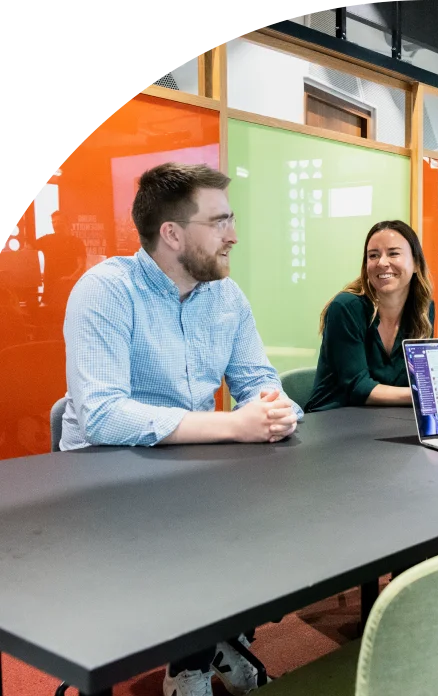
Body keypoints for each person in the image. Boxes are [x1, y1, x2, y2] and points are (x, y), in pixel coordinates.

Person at [61, 162, 304, 696]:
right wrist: (232, 425)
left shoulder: (225, 296)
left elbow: (257, 378)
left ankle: (213, 642)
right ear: (171, 234)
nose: (233, 235)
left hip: (191, 467)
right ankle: (190, 664)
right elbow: (101, 414)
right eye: (219, 221)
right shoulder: (106, 291)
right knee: (206, 543)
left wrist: (274, 407)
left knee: (285, 525)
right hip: (105, 482)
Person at [305, 220, 435, 412]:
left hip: (388, 418)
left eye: (393, 253)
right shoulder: (346, 307)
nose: (382, 262)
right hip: (334, 417)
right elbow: (358, 388)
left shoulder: (423, 309)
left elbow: (419, 377)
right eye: (373, 255)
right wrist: (424, 394)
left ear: (416, 263)